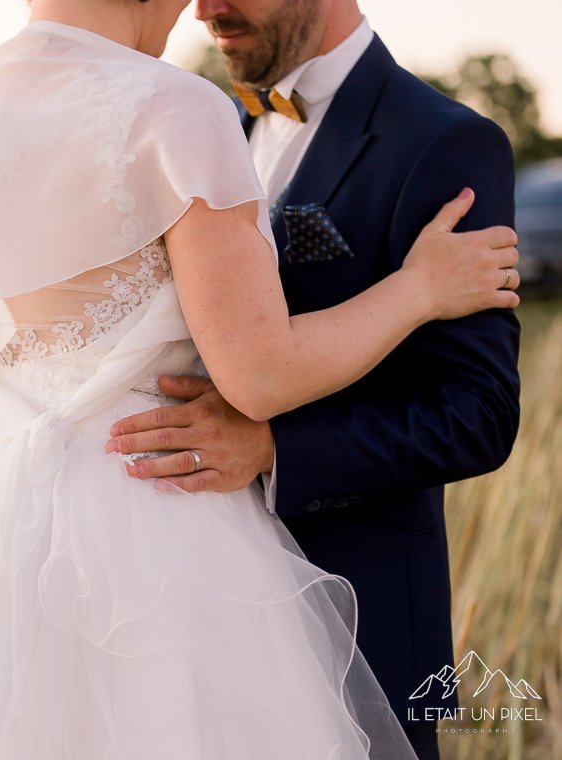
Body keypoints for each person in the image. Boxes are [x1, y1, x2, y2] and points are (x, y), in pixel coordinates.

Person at [0, 1, 519, 757]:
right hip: (170, 555)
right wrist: (416, 291)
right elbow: (259, 372)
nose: (202, 6)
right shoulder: (180, 107)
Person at [105, 3, 521, 758]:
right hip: (184, 603)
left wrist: (274, 448)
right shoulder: (204, 130)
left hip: (358, 612)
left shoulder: (445, 142)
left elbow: (477, 412)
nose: (206, 7)